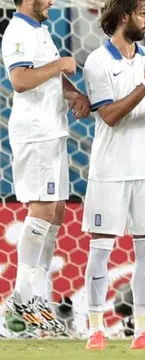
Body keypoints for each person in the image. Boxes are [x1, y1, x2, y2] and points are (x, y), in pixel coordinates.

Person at [81, 0, 145, 350]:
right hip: (112, 169)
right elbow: (109, 116)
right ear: (124, 17)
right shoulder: (98, 62)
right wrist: (143, 84)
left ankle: (142, 331)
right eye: (142, 12)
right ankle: (95, 328)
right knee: (101, 248)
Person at [2, 0, 90, 334]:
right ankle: (22, 297)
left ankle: (36, 298)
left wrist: (74, 94)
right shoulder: (18, 32)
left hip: (52, 131)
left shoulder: (39, 30)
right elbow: (21, 80)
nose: (52, 1)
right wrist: (59, 65)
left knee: (55, 212)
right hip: (35, 134)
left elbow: (48, 78)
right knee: (41, 209)